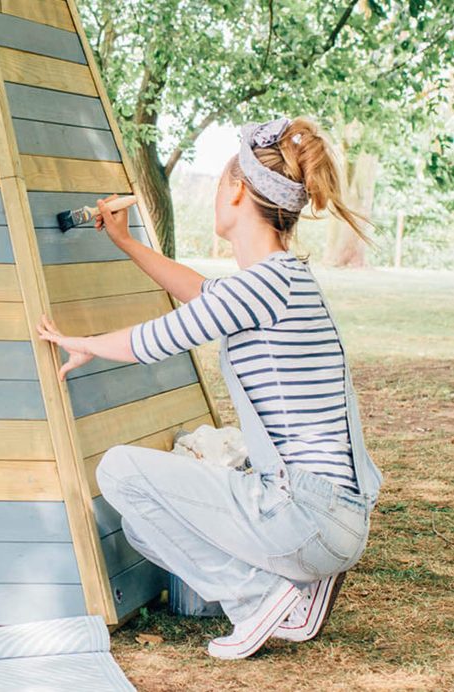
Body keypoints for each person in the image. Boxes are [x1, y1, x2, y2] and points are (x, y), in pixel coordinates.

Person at [37, 117, 382, 660]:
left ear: (239, 190)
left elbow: (157, 339)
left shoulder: (260, 286)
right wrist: (127, 244)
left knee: (119, 471)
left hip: (306, 512)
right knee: (148, 529)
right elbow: (199, 292)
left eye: (222, 183)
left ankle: (258, 599)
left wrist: (86, 342)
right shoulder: (280, 279)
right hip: (335, 517)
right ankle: (305, 589)